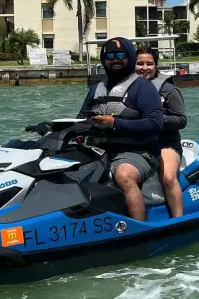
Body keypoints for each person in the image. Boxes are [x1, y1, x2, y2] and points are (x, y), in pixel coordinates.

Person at [78, 37, 164, 222]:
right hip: (101, 150)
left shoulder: (143, 87)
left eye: (120, 55)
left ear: (129, 58)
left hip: (140, 152)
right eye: (110, 56)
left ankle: (139, 228)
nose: (115, 60)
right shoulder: (96, 89)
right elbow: (80, 119)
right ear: (104, 60)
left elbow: (155, 123)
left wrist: (115, 123)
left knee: (123, 175)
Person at [135, 45, 187, 218]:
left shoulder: (168, 89)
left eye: (149, 64)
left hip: (165, 144)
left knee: (168, 178)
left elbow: (181, 120)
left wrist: (155, 120)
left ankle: (178, 220)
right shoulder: (127, 87)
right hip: (136, 143)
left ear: (155, 65)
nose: (144, 68)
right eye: (140, 63)